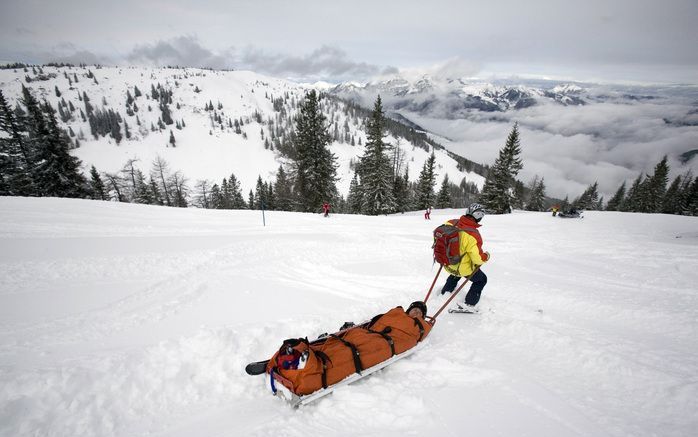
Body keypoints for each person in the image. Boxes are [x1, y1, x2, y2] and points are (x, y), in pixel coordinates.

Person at [439, 203, 490, 312]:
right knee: (481, 280)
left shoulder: (450, 222)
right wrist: (486, 256)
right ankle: (470, 304)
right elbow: (477, 259)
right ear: (478, 216)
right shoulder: (473, 235)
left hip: (447, 263)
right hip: (460, 268)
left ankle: (445, 293)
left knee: (455, 274)